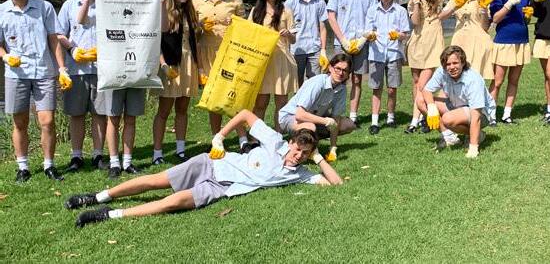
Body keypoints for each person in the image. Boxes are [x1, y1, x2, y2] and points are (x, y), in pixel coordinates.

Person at [65, 109, 342, 228]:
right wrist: (220, 135)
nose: (297, 156)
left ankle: (107, 214)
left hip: (221, 187)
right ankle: (97, 196)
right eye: (297, 150)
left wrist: (317, 157)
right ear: (291, 142)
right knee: (156, 181)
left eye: (303, 154)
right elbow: (245, 114)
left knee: (172, 202)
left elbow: (336, 183)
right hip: (212, 163)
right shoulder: (275, 141)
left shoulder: (299, 174)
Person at [0, 0, 69, 182]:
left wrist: (62, 69)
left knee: (47, 121)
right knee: (20, 122)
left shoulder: (44, 7)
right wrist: (5, 56)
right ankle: (23, 167)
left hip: (44, 71)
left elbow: (54, 40)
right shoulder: (1, 11)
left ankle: (49, 165)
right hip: (16, 74)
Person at [405, 0, 462, 134]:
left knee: (424, 84)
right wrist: (415, 3)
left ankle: (417, 120)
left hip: (433, 47)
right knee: (416, 83)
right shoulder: (413, 1)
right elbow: (415, 23)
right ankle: (420, 116)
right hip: (416, 46)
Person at [57, 0, 109, 172]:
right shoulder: (69, 5)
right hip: (76, 68)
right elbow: (59, 34)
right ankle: (76, 156)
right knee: (76, 114)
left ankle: (98, 154)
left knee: (99, 113)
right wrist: (72, 49)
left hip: (101, 68)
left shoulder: (108, 4)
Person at [152, 0, 200, 164]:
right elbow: (157, 40)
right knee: (164, 110)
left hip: (189, 64)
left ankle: (180, 150)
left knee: (182, 109)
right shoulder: (163, 9)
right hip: (170, 64)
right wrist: (163, 65)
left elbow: (193, 40)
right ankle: (157, 153)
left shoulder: (190, 11)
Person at [104, 0, 148, 179]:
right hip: (114, 71)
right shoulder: (107, 8)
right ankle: (114, 162)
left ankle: (128, 161)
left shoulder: (141, 9)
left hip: (136, 70)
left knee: (131, 118)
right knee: (113, 118)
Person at [193, 0, 245, 134]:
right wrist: (200, 27)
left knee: (232, 96)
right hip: (206, 54)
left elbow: (245, 29)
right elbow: (192, 32)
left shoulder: (235, 1)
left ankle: (242, 137)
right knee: (214, 98)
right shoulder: (196, 2)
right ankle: (217, 137)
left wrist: (235, 25)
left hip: (230, 54)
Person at [417, 46, 496, 158]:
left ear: (462, 62)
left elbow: (476, 117)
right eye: (448, 64)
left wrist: (473, 148)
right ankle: (449, 137)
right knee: (421, 101)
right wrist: (432, 107)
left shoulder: (473, 79)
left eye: (455, 63)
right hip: (457, 105)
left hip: (481, 114)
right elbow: (427, 90)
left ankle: (477, 135)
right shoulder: (442, 71)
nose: (451, 67)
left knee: (447, 119)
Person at [327, 0, 376, 124]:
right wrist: (343, 40)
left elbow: (372, 18)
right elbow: (331, 16)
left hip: (361, 43)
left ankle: (353, 116)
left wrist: (363, 39)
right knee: (337, 78)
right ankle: (334, 114)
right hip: (342, 42)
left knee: (357, 79)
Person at [278, 54, 355, 162]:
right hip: (290, 116)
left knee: (349, 124)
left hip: (313, 118)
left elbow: (336, 119)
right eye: (338, 68)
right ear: (330, 68)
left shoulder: (342, 89)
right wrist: (325, 121)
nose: (341, 73)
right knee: (310, 127)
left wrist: (333, 147)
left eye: (345, 70)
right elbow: (299, 115)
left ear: (348, 74)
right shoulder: (318, 82)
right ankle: (298, 149)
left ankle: (309, 139)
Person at [249, 0, 298, 132]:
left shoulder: (286, 11)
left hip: (281, 62)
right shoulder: (255, 11)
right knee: (260, 103)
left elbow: (293, 40)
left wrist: (288, 34)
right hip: (262, 62)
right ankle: (256, 136)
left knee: (281, 104)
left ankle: (278, 135)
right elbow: (248, 35)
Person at [489, 0, 532, 124]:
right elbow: (495, 18)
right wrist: (508, 4)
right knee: (498, 81)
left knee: (514, 81)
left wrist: (528, 15)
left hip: (521, 41)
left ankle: (507, 114)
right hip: (503, 41)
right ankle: (491, 115)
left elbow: (524, 19)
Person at [365, 0, 410, 134]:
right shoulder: (372, 10)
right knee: (376, 88)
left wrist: (398, 35)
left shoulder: (401, 11)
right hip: (376, 53)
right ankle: (375, 121)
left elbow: (406, 34)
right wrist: (370, 35)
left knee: (392, 89)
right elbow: (367, 30)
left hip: (394, 53)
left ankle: (390, 117)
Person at [442, 0, 496, 82]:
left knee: (474, 79)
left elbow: (485, 27)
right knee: (457, 78)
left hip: (478, 42)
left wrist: (483, 9)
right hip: (460, 41)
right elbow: (441, 17)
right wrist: (455, 6)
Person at [284, 0, 329, 84]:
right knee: (296, 85)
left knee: (314, 84)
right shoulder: (290, 3)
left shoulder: (320, 2)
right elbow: (286, 29)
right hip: (296, 50)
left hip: (315, 50)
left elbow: (323, 28)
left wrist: (323, 50)